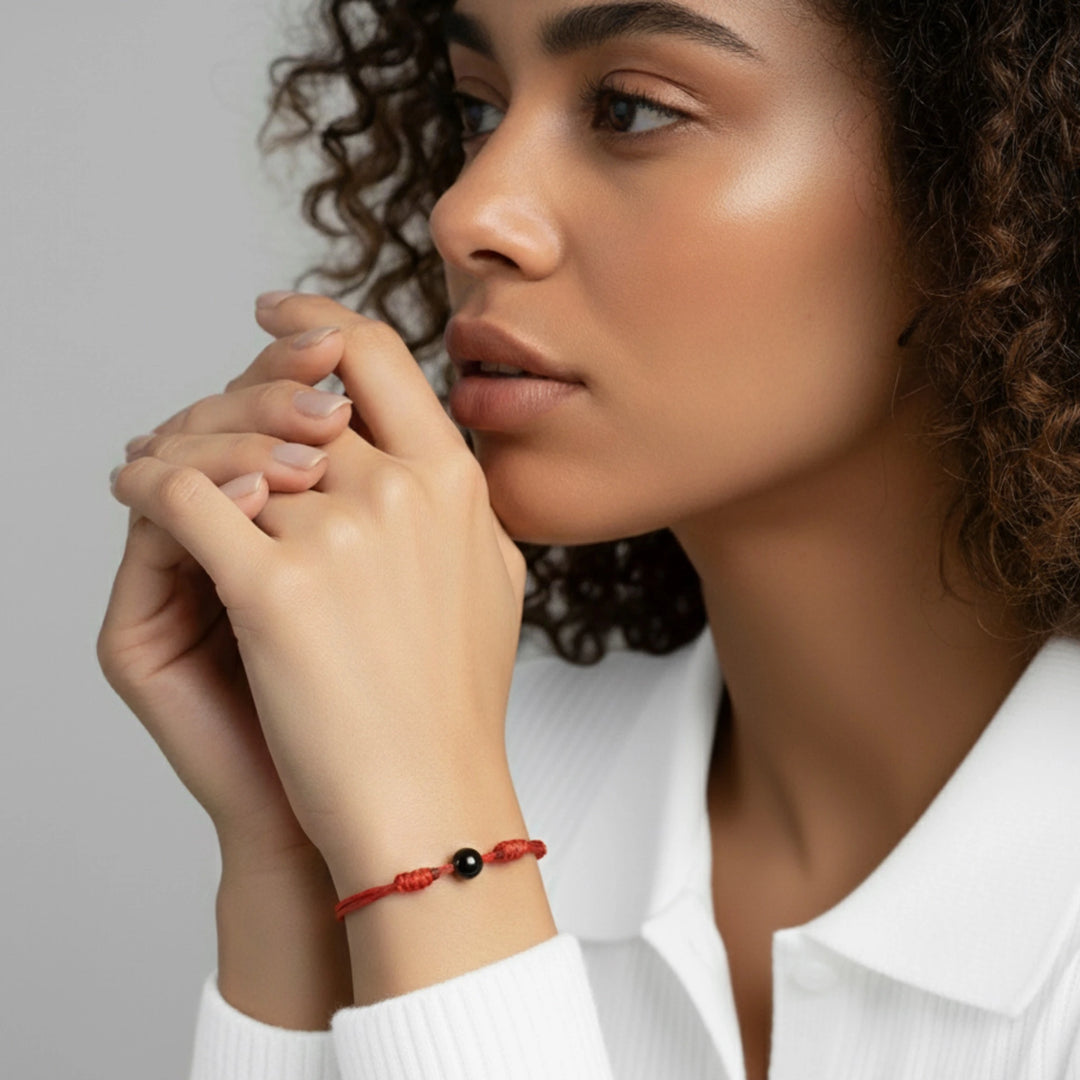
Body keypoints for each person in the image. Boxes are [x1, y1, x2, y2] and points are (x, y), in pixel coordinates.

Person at [97, 0, 1080, 1077]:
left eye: (632, 109)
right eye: (476, 108)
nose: (467, 211)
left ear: (994, 177)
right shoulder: (451, 768)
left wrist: (444, 858)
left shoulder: (443, 802)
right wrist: (297, 865)